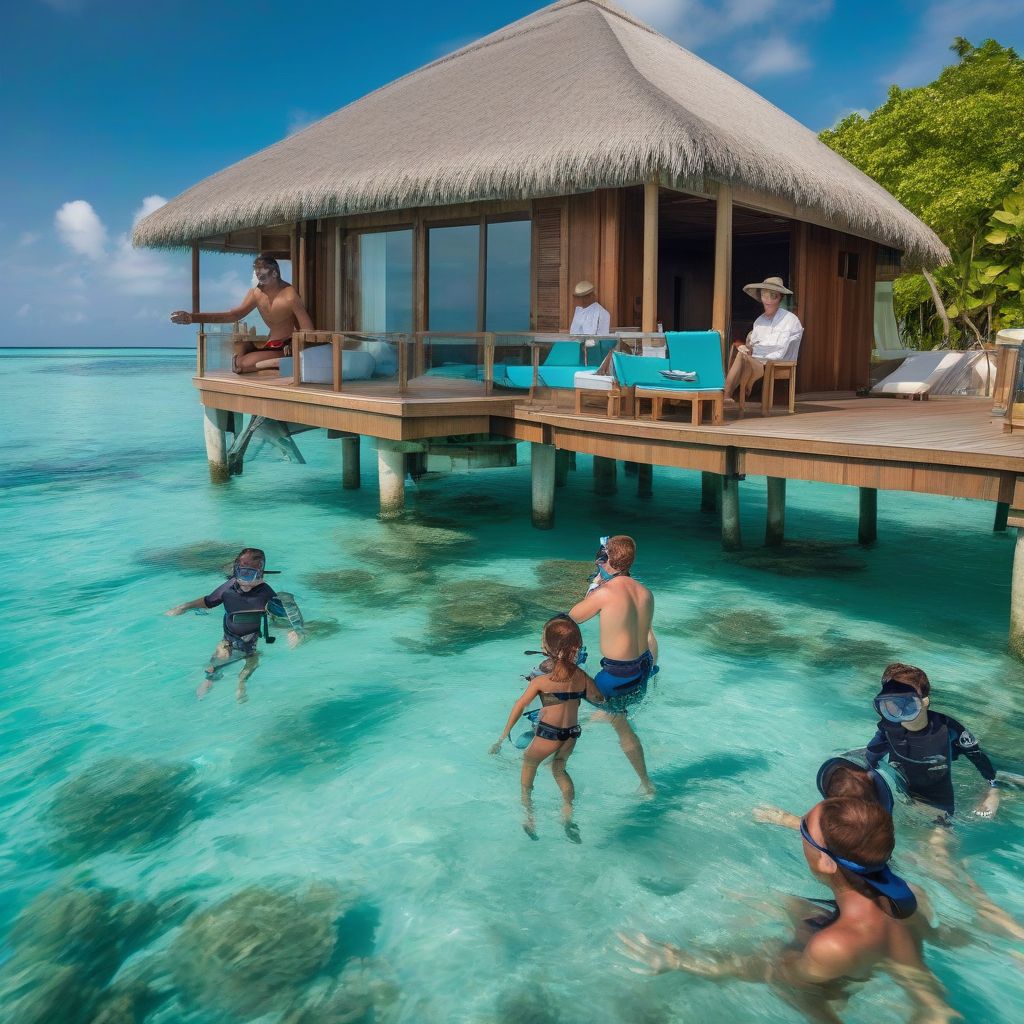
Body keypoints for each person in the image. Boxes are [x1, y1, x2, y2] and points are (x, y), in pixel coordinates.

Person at [619, 798, 957, 1023]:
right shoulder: (910, 895)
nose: (799, 832)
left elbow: (774, 972)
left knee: (785, 971)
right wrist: (780, 904)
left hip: (856, 980)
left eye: (803, 829)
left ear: (825, 861)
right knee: (789, 908)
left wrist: (682, 960)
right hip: (912, 984)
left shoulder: (835, 946)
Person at [490, 616, 601, 842]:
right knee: (559, 769)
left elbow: (519, 706)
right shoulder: (582, 677)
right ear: (576, 648)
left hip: (548, 734)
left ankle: (529, 815)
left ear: (546, 648)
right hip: (571, 734)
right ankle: (567, 813)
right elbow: (599, 697)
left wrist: (502, 738)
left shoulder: (541, 682)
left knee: (529, 765)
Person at [567, 535, 658, 796]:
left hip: (615, 678)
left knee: (561, 693)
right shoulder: (646, 593)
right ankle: (604, 715)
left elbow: (572, 619)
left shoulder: (604, 593)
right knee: (614, 713)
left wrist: (595, 585)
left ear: (605, 560)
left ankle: (555, 755)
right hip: (641, 672)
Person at [165, 547, 304, 702]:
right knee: (214, 664)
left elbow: (289, 613)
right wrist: (185, 607)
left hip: (251, 640)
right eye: (240, 573)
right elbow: (208, 601)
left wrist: (295, 631)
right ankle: (209, 681)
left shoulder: (265, 592)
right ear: (236, 570)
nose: (244, 580)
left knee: (251, 662)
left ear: (260, 573)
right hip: (228, 639)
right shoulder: (229, 587)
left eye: (249, 575)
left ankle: (241, 685)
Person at [864, 663, 999, 822]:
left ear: (924, 701)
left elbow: (977, 756)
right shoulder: (886, 730)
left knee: (939, 842)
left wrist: (993, 790)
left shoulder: (948, 729)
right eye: (890, 698)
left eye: (905, 698)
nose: (894, 704)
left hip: (939, 807)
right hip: (903, 798)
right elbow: (870, 761)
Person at [170, 255, 313, 374]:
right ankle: (268, 362)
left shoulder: (289, 296)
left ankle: (277, 363)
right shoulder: (256, 293)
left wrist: (296, 348)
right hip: (269, 345)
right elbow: (234, 315)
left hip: (285, 348)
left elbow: (308, 329)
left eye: (262, 277)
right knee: (238, 357)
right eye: (257, 276)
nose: (258, 281)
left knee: (242, 364)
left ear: (274, 274)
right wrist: (192, 317)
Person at [724, 276, 803, 403]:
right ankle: (731, 393)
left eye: (774, 296)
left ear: (780, 298)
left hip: (778, 361)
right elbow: (755, 345)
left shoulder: (790, 319)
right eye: (765, 295)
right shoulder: (759, 321)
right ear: (760, 297)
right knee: (740, 353)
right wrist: (748, 348)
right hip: (758, 360)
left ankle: (728, 394)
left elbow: (779, 350)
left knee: (743, 357)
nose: (769, 300)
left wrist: (754, 350)